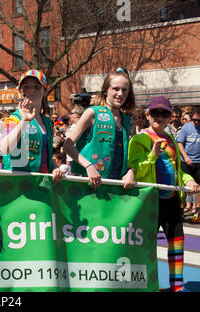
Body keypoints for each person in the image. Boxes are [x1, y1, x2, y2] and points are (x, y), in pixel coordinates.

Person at [128, 96, 200, 292]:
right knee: (146, 245)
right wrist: (153, 155)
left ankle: (177, 285)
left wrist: (189, 180)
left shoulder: (171, 140)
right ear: (148, 115)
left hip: (171, 200)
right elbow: (135, 171)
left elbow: (179, 172)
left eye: (165, 113)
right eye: (155, 113)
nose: (160, 117)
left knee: (177, 243)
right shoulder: (139, 139)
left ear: (170, 117)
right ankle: (144, 285)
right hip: (149, 201)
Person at [63, 68, 136, 189]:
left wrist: (130, 171)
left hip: (116, 186)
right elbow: (67, 145)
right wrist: (88, 166)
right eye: (116, 89)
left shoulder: (129, 122)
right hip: (88, 183)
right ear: (106, 90)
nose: (120, 94)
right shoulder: (92, 113)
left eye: (124, 90)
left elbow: (129, 157)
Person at [0, 69, 64, 182]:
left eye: (37, 87)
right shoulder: (13, 119)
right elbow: (4, 148)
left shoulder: (48, 122)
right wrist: (24, 121)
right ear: (20, 91)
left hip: (41, 184)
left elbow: (44, 155)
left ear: (44, 90)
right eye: (26, 87)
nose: (31, 91)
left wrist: (55, 168)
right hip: (16, 185)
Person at [177, 105, 200, 221]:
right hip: (186, 161)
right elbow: (180, 143)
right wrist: (185, 157)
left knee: (198, 188)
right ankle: (181, 210)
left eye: (198, 120)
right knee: (185, 188)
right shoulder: (186, 128)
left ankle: (197, 211)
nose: (196, 122)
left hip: (198, 162)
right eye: (194, 119)